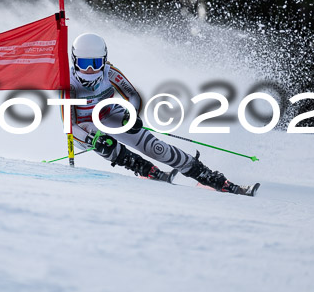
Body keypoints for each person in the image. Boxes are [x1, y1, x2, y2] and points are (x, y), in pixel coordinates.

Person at [67, 32, 259, 196]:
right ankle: (143, 168)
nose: (90, 69)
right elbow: (69, 124)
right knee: (107, 146)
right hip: (82, 127)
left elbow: (132, 95)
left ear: (104, 59)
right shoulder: (67, 82)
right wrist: (91, 140)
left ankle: (212, 178)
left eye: (95, 62)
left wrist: (132, 114)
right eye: (84, 63)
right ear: (75, 61)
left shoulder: (109, 72)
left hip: (109, 114)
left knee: (156, 148)